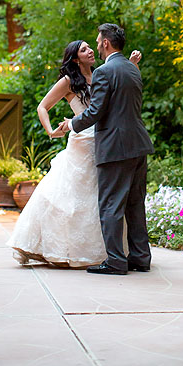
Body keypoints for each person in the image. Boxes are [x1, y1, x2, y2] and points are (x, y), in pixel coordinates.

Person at [7, 40, 141, 267]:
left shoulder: (102, 73)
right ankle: (59, 248)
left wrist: (131, 65)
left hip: (104, 138)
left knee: (101, 194)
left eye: (91, 47)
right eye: (84, 50)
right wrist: (51, 131)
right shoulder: (69, 81)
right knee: (72, 195)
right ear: (76, 58)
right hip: (81, 139)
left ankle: (107, 252)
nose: (91, 51)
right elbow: (43, 106)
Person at [58, 23, 155, 275]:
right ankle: (140, 258)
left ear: (106, 44)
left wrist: (72, 123)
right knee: (135, 204)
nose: (97, 45)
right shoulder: (132, 70)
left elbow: (96, 110)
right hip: (139, 145)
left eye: (99, 41)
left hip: (115, 147)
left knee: (111, 204)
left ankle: (115, 261)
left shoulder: (104, 71)